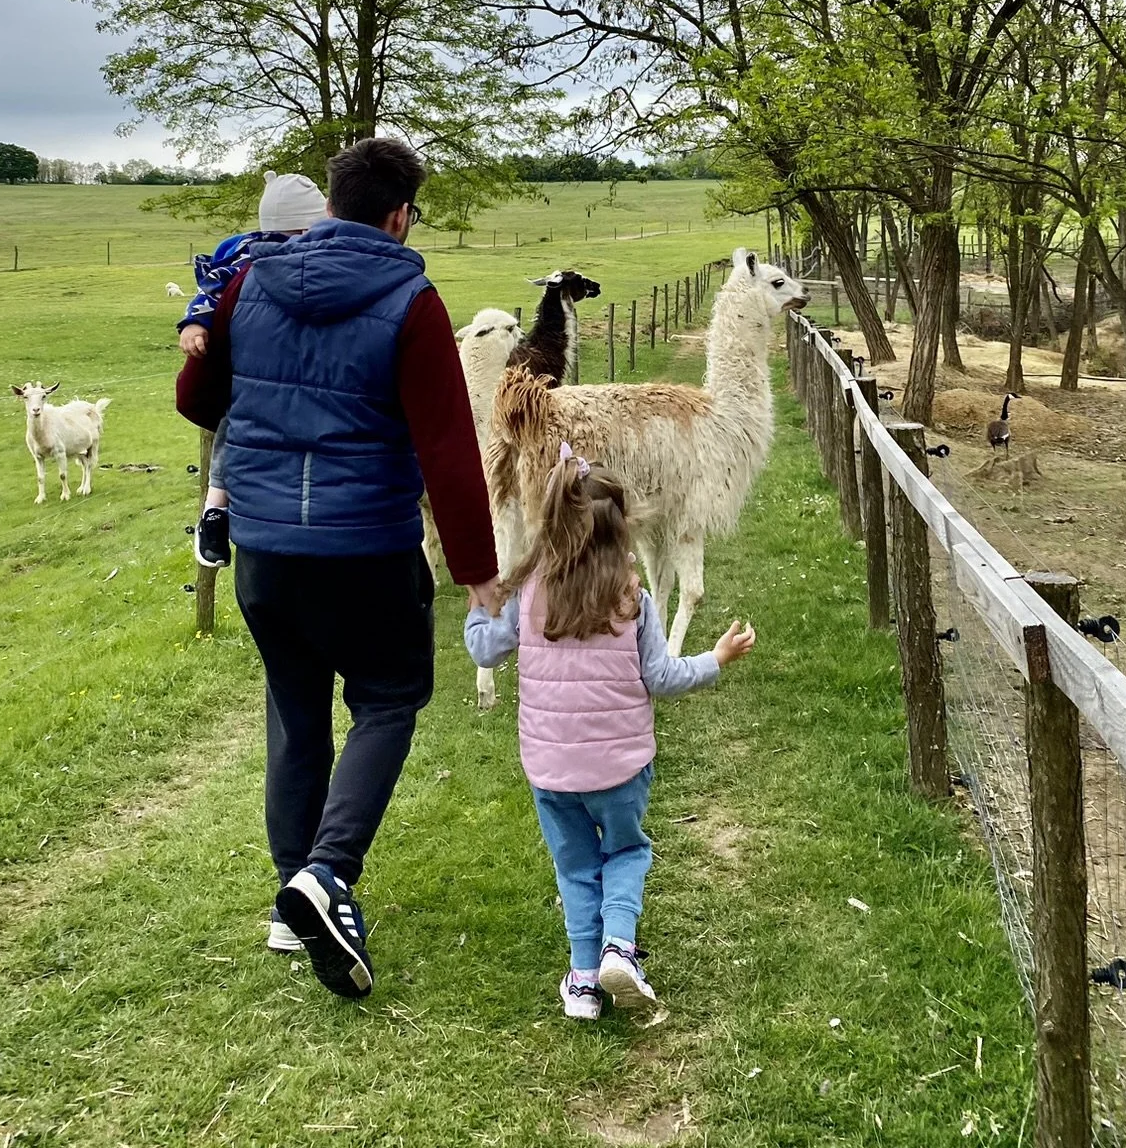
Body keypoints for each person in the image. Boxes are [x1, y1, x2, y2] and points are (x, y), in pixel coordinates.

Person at [177, 136, 501, 1000]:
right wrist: (478, 568)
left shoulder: (251, 281)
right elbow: (445, 443)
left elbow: (195, 399)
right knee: (390, 699)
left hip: (268, 551)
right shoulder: (411, 298)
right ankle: (325, 874)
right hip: (367, 547)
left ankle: (292, 906)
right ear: (399, 215)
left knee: (294, 703)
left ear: (330, 203)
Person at [465, 447, 755, 1018]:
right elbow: (662, 677)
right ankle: (618, 945)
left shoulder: (527, 597)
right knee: (624, 849)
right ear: (619, 531)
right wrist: (716, 658)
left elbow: (482, 646)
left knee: (574, 865)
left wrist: (479, 604)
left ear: (550, 525)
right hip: (621, 770)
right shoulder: (632, 601)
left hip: (551, 772)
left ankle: (582, 980)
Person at [177, 170, 330, 570]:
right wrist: (194, 324)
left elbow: (210, 296)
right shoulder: (257, 262)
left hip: (259, 414)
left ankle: (215, 513)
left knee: (233, 427)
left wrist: (197, 325)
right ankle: (214, 512)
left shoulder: (245, 264)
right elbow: (209, 293)